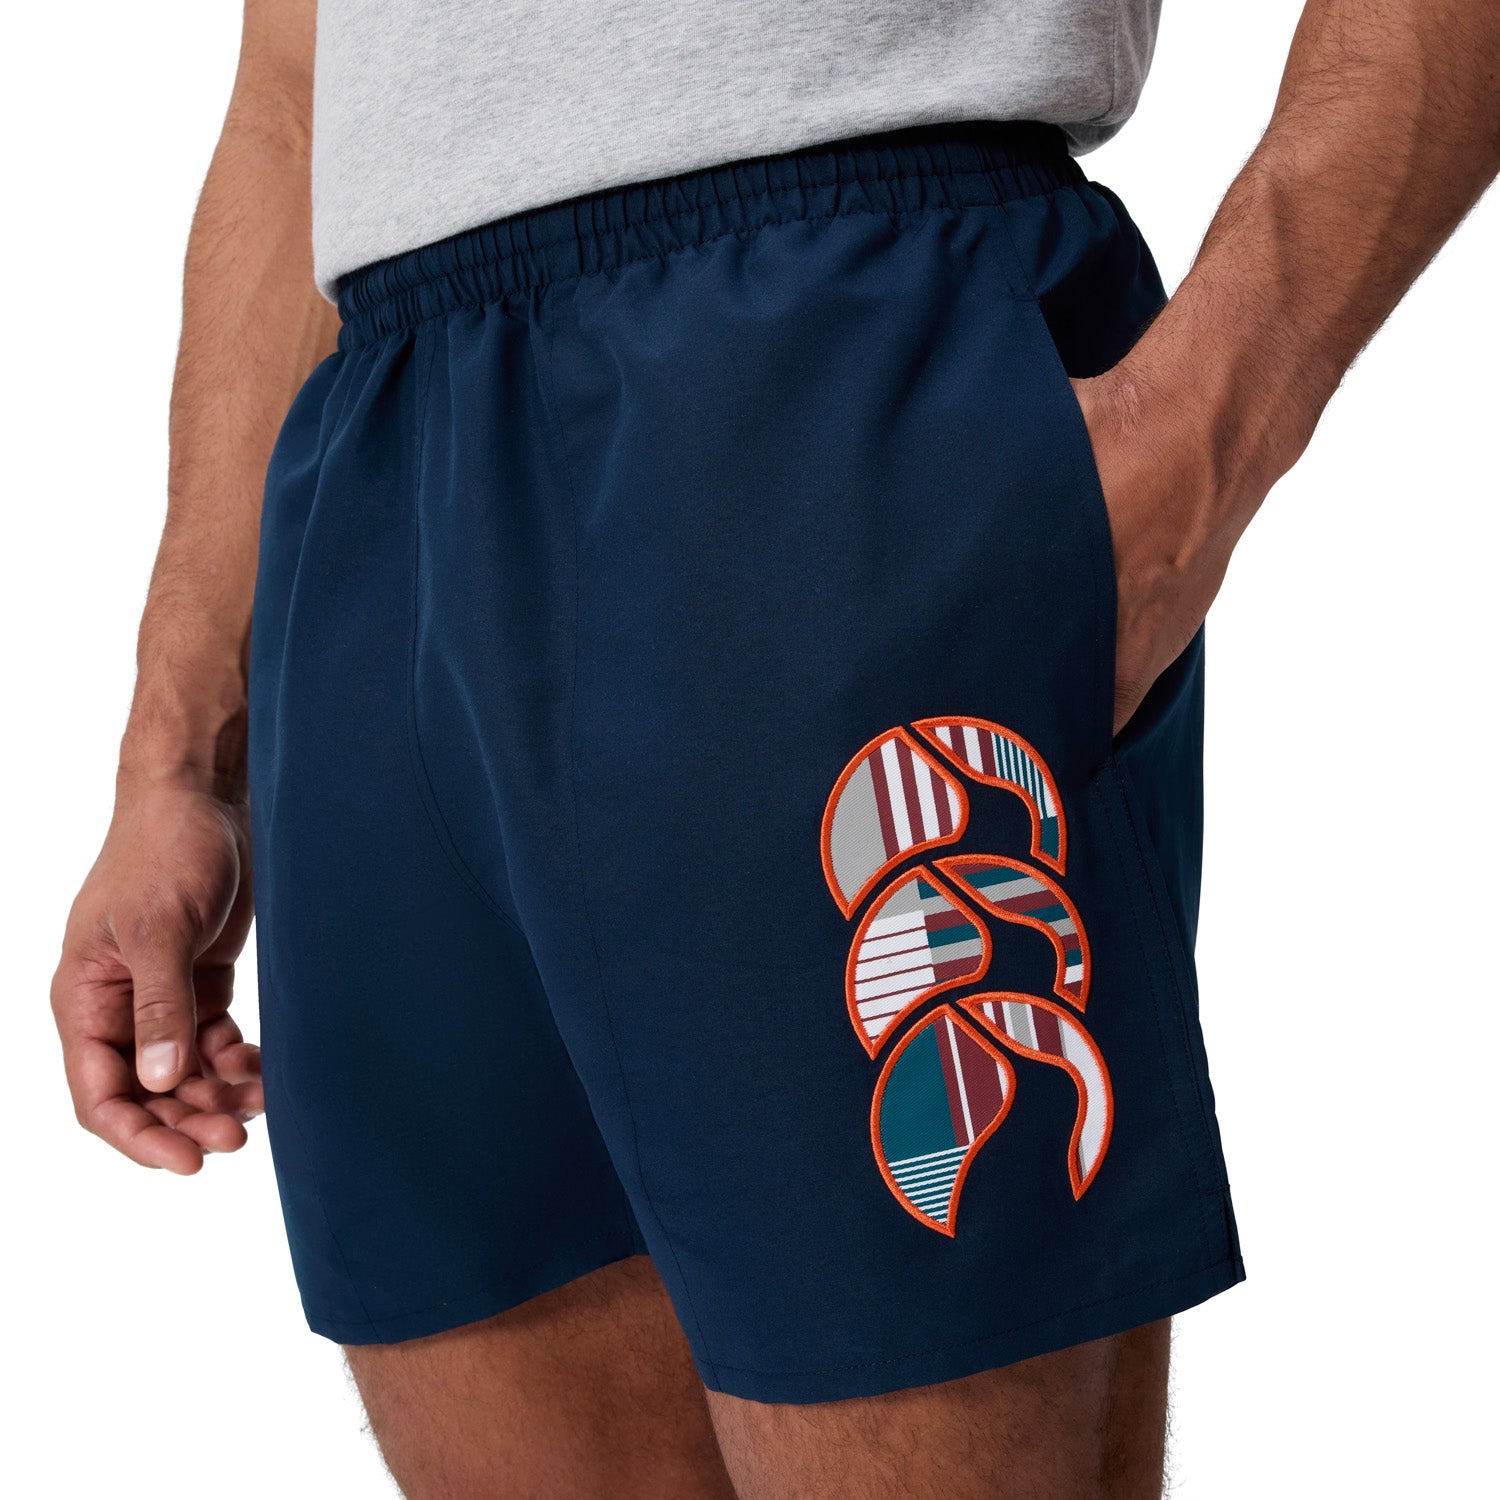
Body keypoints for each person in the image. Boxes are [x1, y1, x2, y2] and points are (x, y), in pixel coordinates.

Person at [49, 1, 1498, 1494]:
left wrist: (1196, 436)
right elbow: (292, 88)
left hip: (834, 350)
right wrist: (174, 754)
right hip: (379, 457)